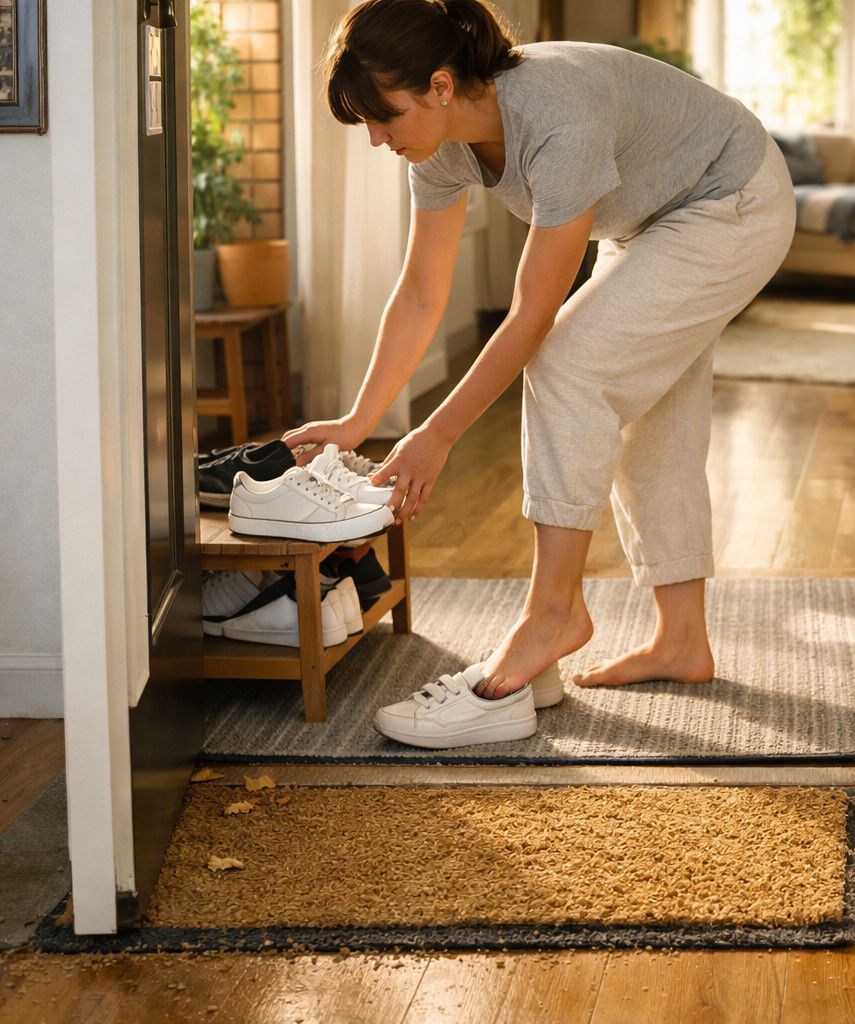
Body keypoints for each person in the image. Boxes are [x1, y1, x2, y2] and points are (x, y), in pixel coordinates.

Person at [282, 0, 795, 746]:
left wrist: (437, 436)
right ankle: (682, 642)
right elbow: (421, 290)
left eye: (384, 117)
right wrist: (360, 421)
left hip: (730, 200)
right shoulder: (440, 144)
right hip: (651, 219)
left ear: (441, 85)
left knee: (567, 362)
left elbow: (531, 314)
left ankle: (553, 613)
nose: (376, 139)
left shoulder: (556, 117)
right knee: (651, 411)